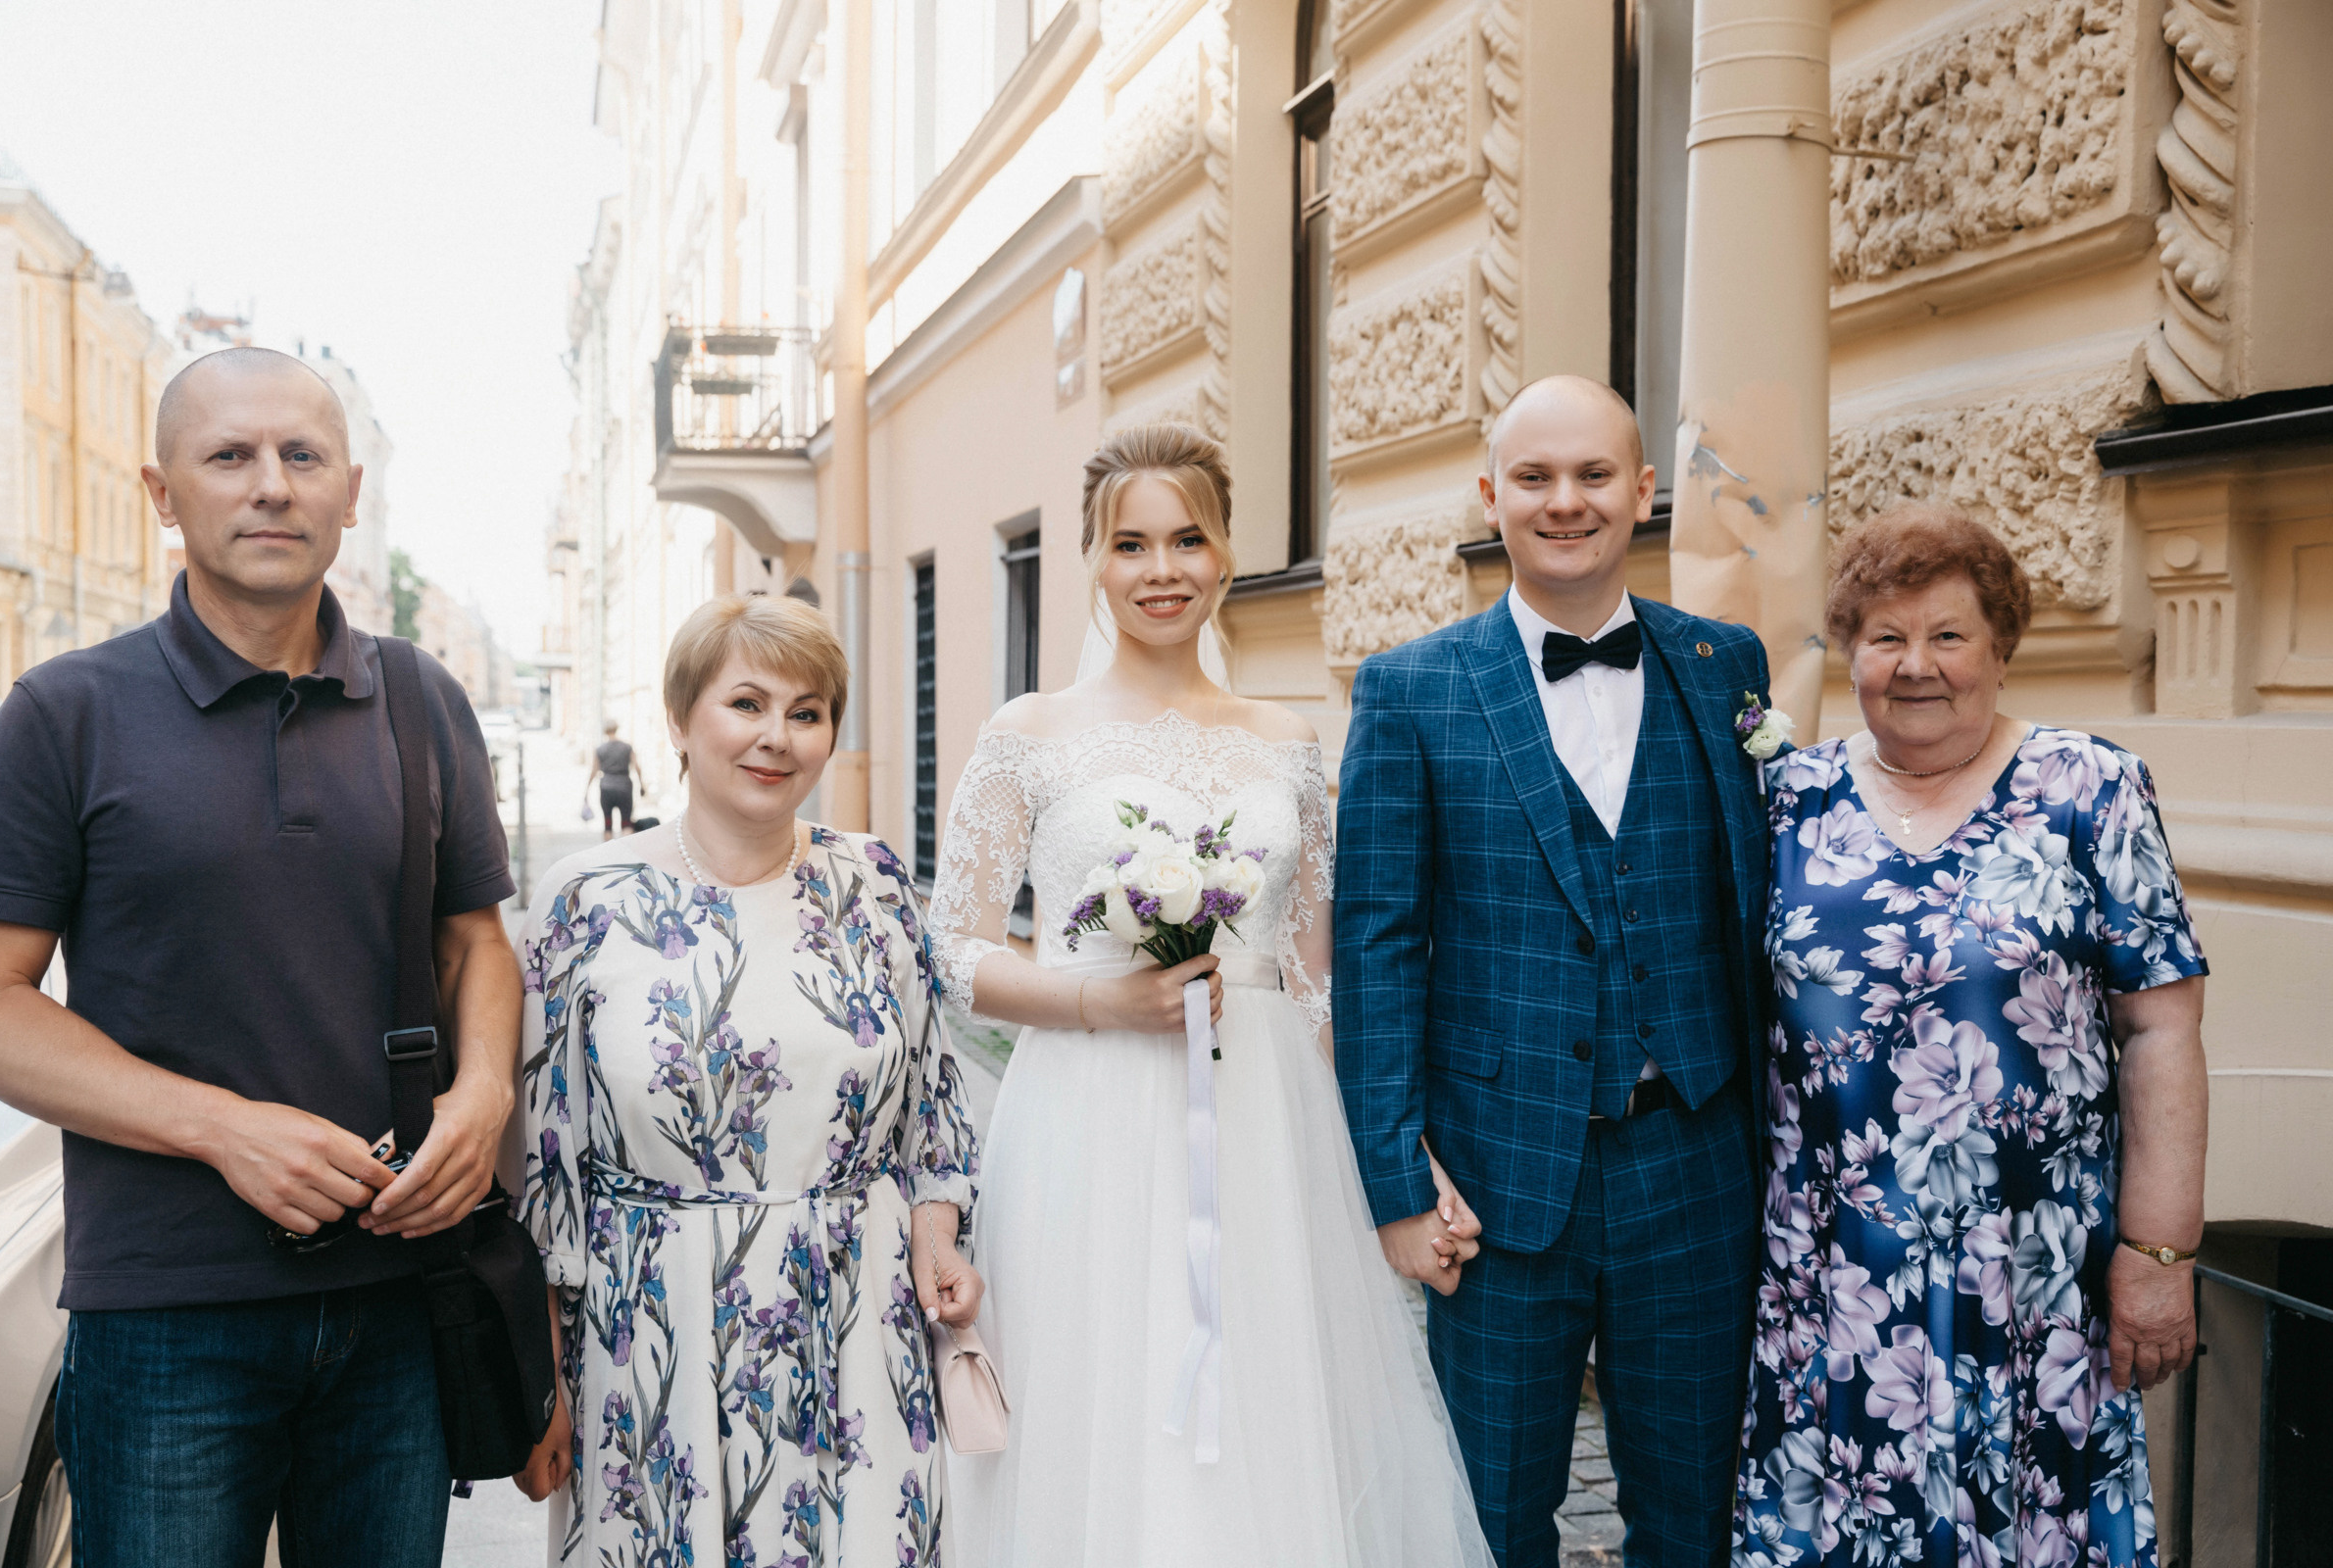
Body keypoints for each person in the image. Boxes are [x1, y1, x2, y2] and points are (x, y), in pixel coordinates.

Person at [0, 346, 521, 1566]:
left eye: (302, 455)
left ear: (351, 488)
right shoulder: (64, 713)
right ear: (163, 493)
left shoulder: (424, 699)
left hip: (398, 1299)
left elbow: (476, 939)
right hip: (167, 1315)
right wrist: (224, 1128)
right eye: (229, 456)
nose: (271, 485)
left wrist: (482, 1095)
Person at [929, 423, 1492, 1567]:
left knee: (1269, 1403)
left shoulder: (1288, 742)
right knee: (1103, 1394)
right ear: (1091, 558)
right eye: (1130, 543)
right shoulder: (1025, 736)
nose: (1162, 569)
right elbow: (951, 949)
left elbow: (1319, 977)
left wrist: (1402, 1156)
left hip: (1261, 1124)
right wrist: (1098, 1003)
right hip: (1087, 1118)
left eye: (1188, 538)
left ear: (1229, 550)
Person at [1337, 376, 1775, 1565]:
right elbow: (1373, 939)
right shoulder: (1410, 687)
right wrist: (1395, 1183)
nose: (1565, 501)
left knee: (1695, 1517)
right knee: (1487, 1517)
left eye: (1594, 475)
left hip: (1694, 1155)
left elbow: (1759, 902)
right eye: (1534, 477)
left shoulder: (1725, 664)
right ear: (1491, 496)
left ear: (1643, 491)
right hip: (1495, 1178)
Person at [1733, 505, 2207, 1568]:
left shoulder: (2091, 788)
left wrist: (2161, 1251)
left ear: (1999, 647)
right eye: (1885, 636)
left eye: (1948, 635)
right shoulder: (1787, 798)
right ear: (1851, 650)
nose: (1916, 666)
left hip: (2038, 1275)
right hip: (1835, 1276)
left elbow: (2161, 1028)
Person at [509, 593, 982, 1568]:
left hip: (854, 1313)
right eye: (747, 704)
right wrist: (544, 1375)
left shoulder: (879, 883)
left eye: (807, 713)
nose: (777, 737)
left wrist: (938, 1237)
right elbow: (547, 1163)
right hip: (650, 1327)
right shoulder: (585, 902)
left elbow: (933, 1101)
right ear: (679, 721)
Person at [587, 717, 644, 838]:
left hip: (606, 787)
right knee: (626, 823)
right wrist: (642, 785)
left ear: (605, 731)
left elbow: (594, 770)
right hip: (624, 786)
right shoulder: (627, 747)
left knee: (607, 824)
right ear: (616, 729)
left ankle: (608, 855)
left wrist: (587, 790)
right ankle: (625, 854)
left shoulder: (599, 749)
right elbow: (637, 767)